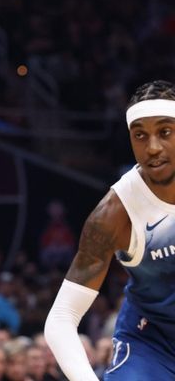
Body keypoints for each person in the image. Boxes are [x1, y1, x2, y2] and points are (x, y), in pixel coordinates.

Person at [45, 80, 175, 379]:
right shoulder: (115, 213)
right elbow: (61, 319)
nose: (152, 147)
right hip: (150, 345)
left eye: (165, 132)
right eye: (140, 135)